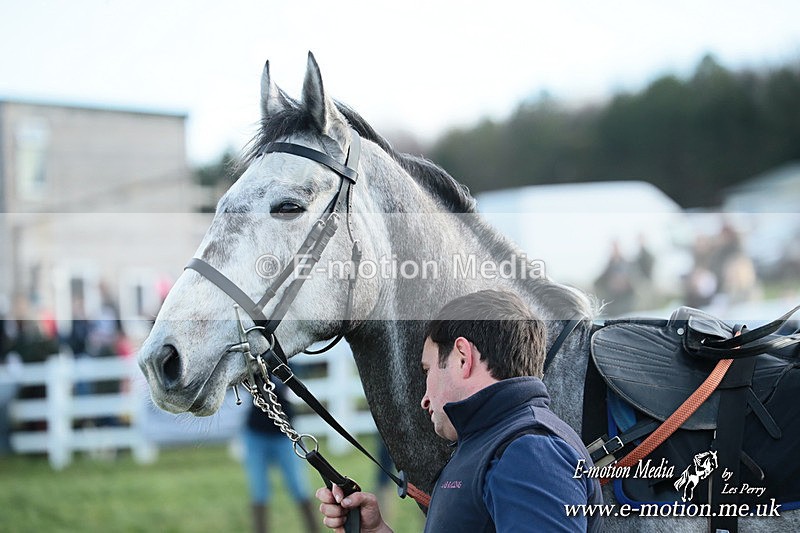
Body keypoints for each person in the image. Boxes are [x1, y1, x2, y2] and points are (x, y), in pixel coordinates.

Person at [316, 290, 603, 532]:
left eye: (427, 371)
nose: (424, 399)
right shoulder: (496, 442)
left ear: (463, 358)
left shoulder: (530, 454)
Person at [242, 376, 319, 533]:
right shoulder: (252, 363)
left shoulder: (286, 364)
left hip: (284, 436)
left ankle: (314, 530)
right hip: (256, 433)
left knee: (299, 486)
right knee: (259, 490)